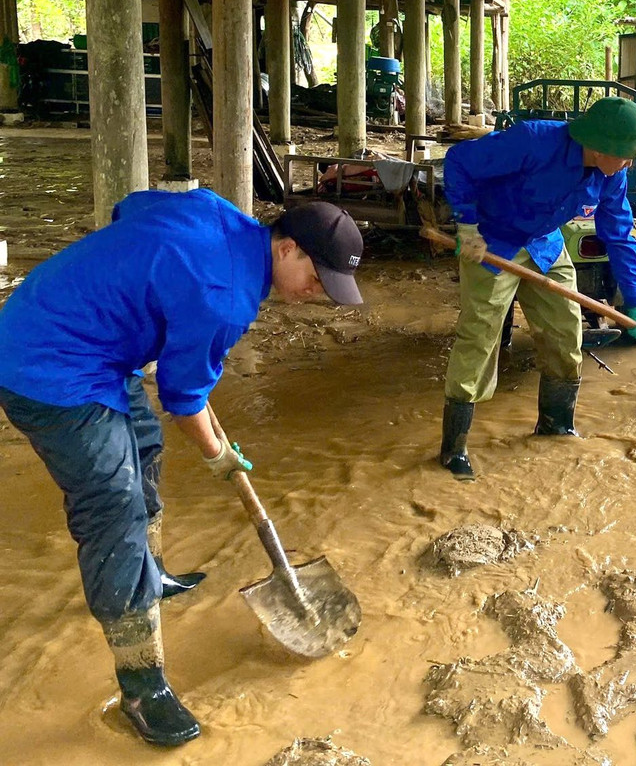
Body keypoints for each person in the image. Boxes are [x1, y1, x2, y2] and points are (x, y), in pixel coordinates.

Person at [0, 191, 364, 747]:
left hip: (79, 328)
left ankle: (152, 573)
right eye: (317, 278)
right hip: (47, 365)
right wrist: (219, 456)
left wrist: (148, 290)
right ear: (287, 248)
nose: (317, 293)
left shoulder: (215, 211)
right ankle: (142, 688)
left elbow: (130, 208)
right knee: (114, 510)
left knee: (144, 443)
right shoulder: (225, 300)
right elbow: (184, 398)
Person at [439, 97, 636, 479]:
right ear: (599, 146)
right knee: (479, 338)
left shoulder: (611, 174)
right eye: (626, 155)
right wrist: (467, 225)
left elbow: (619, 234)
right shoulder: (533, 141)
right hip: (493, 244)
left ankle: (556, 427)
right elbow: (459, 161)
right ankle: (453, 449)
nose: (629, 164)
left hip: (545, 244)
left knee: (565, 331)